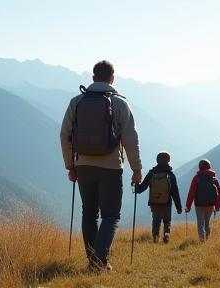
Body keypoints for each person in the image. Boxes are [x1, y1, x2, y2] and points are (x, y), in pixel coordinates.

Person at [60, 60, 142, 271]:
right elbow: (130, 139)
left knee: (89, 213)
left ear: (93, 77)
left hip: (83, 165)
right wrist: (137, 169)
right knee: (110, 215)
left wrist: (71, 166)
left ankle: (93, 261)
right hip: (111, 167)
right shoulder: (120, 103)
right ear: (112, 78)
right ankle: (99, 262)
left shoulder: (76, 102)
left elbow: (64, 135)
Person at [135, 151, 182, 243]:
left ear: (157, 160)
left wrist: (136, 185)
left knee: (156, 221)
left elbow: (141, 188)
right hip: (167, 202)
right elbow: (175, 192)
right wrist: (178, 207)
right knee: (167, 222)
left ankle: (155, 239)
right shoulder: (170, 174)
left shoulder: (151, 173)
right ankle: (166, 239)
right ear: (168, 160)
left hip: (154, 202)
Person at [185, 159, 220, 242]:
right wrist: (217, 206)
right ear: (209, 166)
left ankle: (202, 241)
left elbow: (191, 193)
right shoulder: (214, 178)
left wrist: (188, 206)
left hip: (199, 205)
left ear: (200, 167)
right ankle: (207, 240)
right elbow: (218, 194)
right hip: (211, 205)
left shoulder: (196, 178)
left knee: (200, 224)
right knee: (207, 223)